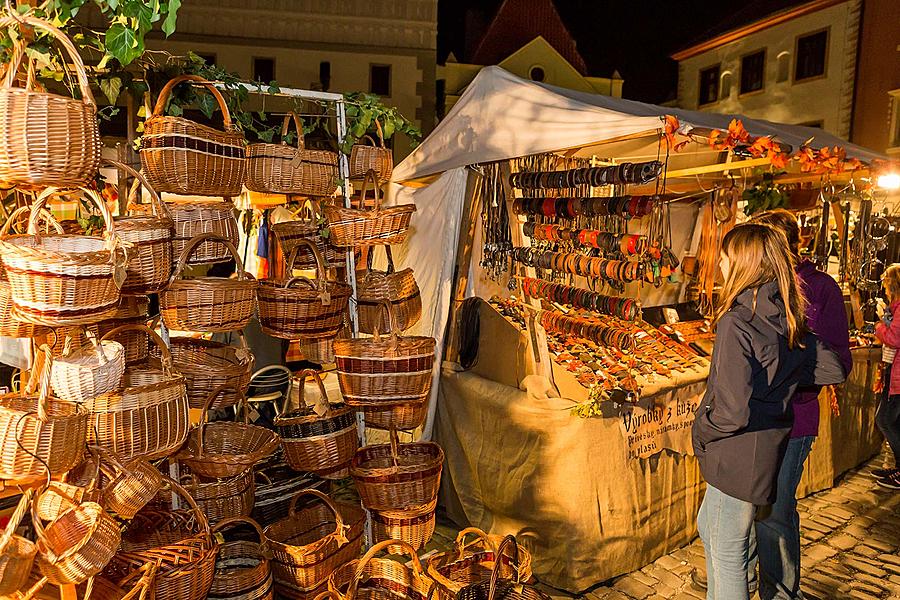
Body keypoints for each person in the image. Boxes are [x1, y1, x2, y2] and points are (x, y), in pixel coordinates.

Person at [692, 223, 848, 600]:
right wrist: (783, 371)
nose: (722, 266)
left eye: (726, 259)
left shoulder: (738, 321)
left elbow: (731, 412)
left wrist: (701, 433)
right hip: (762, 448)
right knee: (715, 533)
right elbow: (830, 367)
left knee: (728, 552)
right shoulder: (782, 316)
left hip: (736, 451)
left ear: (743, 264)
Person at [748, 209, 852, 600]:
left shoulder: (821, 288)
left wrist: (783, 375)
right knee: (752, 505)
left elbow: (837, 364)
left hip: (795, 419)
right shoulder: (757, 283)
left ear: (787, 244)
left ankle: (778, 591)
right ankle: (744, 578)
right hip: (755, 419)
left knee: (776, 508)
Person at [873, 264, 900, 489]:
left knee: (885, 419)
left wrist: (879, 326)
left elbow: (894, 338)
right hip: (895, 371)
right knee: (891, 420)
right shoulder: (896, 307)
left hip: (898, 373)